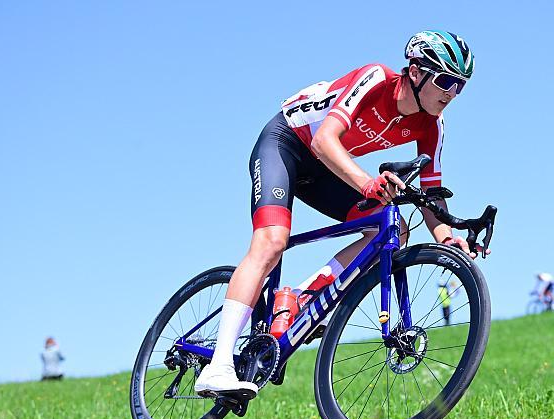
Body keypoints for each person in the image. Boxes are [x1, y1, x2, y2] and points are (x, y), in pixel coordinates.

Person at [194, 30, 488, 396]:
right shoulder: (376, 79)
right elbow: (323, 140)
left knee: (392, 231)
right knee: (272, 243)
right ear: (416, 73)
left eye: (460, 86)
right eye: (445, 80)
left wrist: (447, 238)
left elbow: (431, 193)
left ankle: (301, 297)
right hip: (287, 144)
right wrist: (367, 183)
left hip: (325, 170)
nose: (451, 93)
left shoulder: (432, 125)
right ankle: (217, 365)